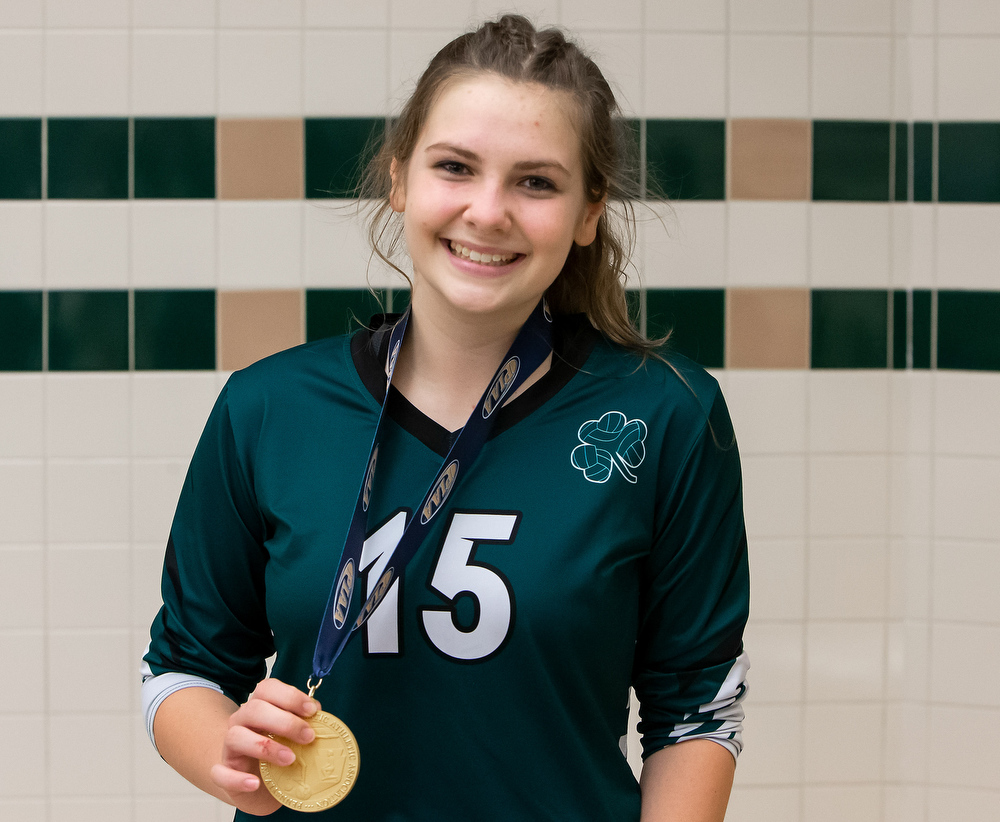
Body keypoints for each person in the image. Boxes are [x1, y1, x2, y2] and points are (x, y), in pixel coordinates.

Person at [142, 14, 749, 821]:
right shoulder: (267, 407)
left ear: (589, 211)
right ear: (400, 179)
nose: (488, 211)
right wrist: (230, 754)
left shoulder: (667, 414)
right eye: (455, 168)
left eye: (536, 182)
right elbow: (183, 669)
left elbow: (697, 707)